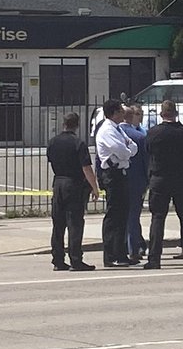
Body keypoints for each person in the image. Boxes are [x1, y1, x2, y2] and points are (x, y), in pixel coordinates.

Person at [143, 100, 183, 269]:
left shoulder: (153, 133)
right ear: (176, 114)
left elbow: (147, 151)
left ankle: (154, 259)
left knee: (158, 218)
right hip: (182, 179)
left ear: (162, 114)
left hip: (160, 178)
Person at [45, 112, 100, 271]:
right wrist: (94, 187)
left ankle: (58, 259)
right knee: (75, 223)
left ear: (64, 124)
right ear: (77, 125)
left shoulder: (53, 142)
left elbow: (51, 161)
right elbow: (86, 168)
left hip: (58, 182)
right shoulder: (78, 143)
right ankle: (76, 259)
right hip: (74, 184)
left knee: (58, 223)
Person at [95, 99, 138, 268]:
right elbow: (121, 151)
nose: (123, 113)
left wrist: (126, 150)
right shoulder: (106, 130)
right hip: (112, 174)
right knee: (113, 216)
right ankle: (110, 255)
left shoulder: (118, 129)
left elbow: (132, 147)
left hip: (122, 173)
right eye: (120, 111)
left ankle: (121, 254)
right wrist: (126, 150)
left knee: (123, 215)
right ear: (113, 112)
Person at [121, 104, 149, 262]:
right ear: (132, 117)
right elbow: (146, 162)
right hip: (137, 181)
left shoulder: (113, 133)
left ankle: (120, 247)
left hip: (118, 179)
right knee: (133, 216)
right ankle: (133, 249)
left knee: (119, 215)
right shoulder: (139, 137)